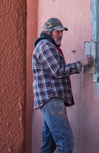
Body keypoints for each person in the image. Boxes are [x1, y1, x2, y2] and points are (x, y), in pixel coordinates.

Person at [32, 17, 91, 153]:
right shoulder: (45, 46)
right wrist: (79, 64)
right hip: (51, 98)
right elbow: (57, 71)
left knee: (50, 142)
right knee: (65, 141)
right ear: (48, 31)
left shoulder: (48, 45)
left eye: (61, 31)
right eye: (57, 31)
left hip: (50, 98)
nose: (60, 34)